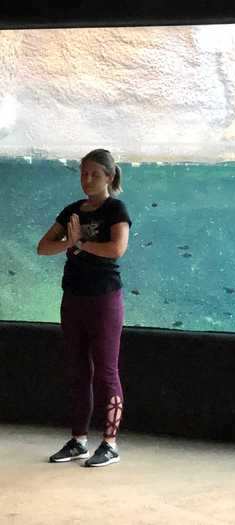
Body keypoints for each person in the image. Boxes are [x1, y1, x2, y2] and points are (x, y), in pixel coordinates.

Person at [37, 148, 132, 467]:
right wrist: (68, 241)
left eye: (93, 173)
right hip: (73, 298)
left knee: (106, 371)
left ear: (109, 176)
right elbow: (43, 247)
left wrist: (78, 243)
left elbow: (116, 249)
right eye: (82, 173)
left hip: (104, 299)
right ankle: (78, 440)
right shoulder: (72, 211)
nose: (87, 179)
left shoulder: (116, 209)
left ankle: (110, 443)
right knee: (78, 371)